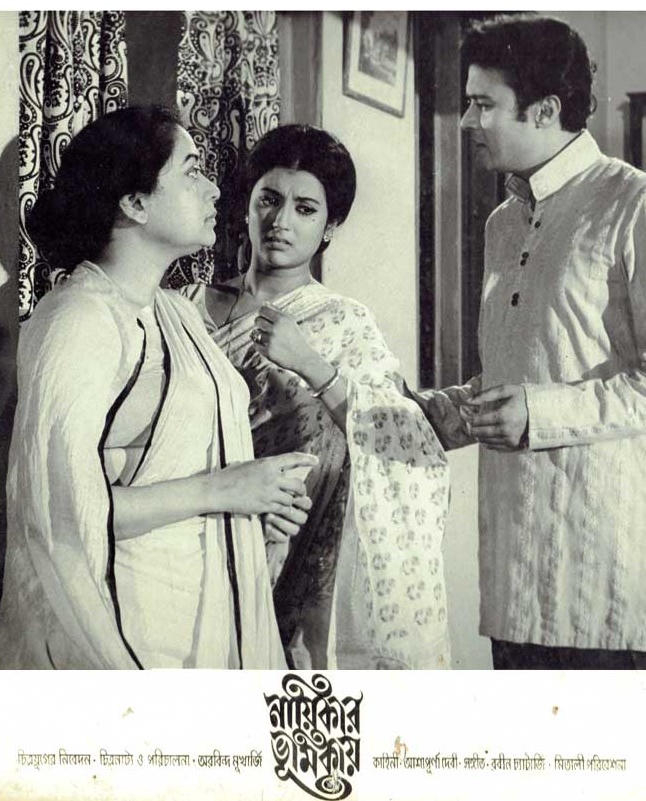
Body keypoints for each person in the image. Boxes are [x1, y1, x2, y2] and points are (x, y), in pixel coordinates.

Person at [417, 16, 646, 669]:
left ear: (547, 109)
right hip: (515, 570)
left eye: (482, 104)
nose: (466, 122)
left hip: (609, 574)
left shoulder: (639, 204)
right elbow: (529, 368)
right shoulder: (503, 222)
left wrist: (538, 413)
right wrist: (441, 412)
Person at [0, 105, 316, 670]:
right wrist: (226, 490)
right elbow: (58, 515)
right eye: (191, 171)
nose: (215, 189)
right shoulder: (79, 319)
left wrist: (262, 508)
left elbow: (180, 468)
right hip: (127, 636)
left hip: (200, 623)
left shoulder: (176, 314)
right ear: (135, 203)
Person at [181, 125, 452, 669]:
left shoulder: (344, 322)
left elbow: (403, 441)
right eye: (269, 200)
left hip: (286, 552)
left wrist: (310, 364)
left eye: (305, 209)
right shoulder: (185, 304)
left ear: (330, 227)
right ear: (248, 204)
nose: (281, 222)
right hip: (185, 530)